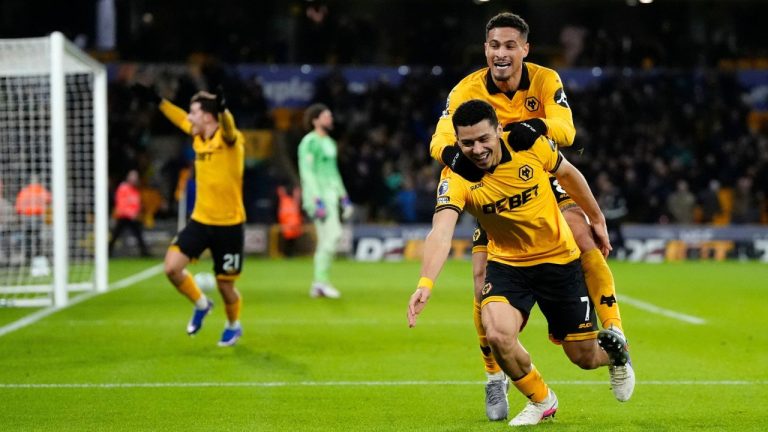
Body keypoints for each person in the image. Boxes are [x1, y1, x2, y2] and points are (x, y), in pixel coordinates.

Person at [428, 12, 629, 419]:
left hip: (538, 173)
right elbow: (440, 139)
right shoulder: (465, 90)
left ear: (524, 49)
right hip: (490, 183)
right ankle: (494, 376)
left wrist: (535, 127)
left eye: (509, 45)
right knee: (481, 282)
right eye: (494, 45)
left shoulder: (545, 80)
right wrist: (455, 157)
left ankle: (614, 331)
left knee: (582, 235)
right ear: (485, 49)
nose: (501, 53)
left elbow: (567, 131)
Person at [408, 100, 634, 427]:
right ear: (457, 142)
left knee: (584, 358)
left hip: (559, 261)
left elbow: (568, 174)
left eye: (484, 139)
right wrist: (425, 283)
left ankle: (616, 356)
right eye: (467, 143)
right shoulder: (455, 177)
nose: (477, 150)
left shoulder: (528, 146)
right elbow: (441, 231)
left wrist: (596, 218)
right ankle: (541, 399)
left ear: (499, 130)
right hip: (508, 265)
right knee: (497, 333)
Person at [133, 83, 245, 347]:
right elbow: (179, 117)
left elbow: (228, 129)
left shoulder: (229, 139)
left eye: (194, 113)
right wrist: (159, 101)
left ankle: (233, 325)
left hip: (229, 224)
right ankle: (202, 304)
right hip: (201, 220)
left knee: (226, 286)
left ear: (207, 116)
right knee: (171, 268)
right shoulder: (198, 136)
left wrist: (224, 110)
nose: (189, 118)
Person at [298, 103, 354, 298]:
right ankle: (321, 282)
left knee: (327, 239)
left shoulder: (330, 143)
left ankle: (319, 283)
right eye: (326, 116)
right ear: (315, 120)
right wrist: (316, 198)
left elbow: (333, 173)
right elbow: (307, 172)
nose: (330, 119)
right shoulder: (309, 142)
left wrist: (344, 197)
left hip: (331, 196)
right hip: (318, 197)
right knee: (333, 235)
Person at [109, 169, 150, 257]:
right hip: (123, 216)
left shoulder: (135, 189)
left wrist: (137, 212)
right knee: (116, 235)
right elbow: (121, 203)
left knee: (138, 234)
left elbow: (136, 203)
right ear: (128, 177)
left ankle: (145, 253)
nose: (134, 179)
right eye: (133, 176)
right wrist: (130, 213)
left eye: (136, 177)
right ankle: (108, 252)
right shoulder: (123, 188)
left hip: (133, 217)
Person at [15, 175, 51, 264]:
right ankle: (39, 255)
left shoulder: (24, 192)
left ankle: (29, 257)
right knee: (38, 238)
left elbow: (18, 208)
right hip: (39, 217)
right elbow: (49, 201)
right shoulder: (41, 190)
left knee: (28, 238)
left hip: (27, 218)